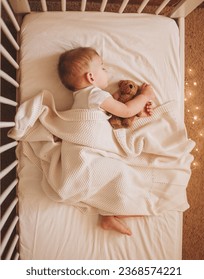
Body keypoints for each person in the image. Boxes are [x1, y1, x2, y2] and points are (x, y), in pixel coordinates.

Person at [58, 47, 156, 235]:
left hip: (81, 155)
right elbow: (124, 111)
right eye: (102, 68)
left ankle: (109, 214)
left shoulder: (80, 98)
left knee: (113, 179)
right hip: (86, 156)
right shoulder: (95, 94)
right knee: (122, 175)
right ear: (91, 78)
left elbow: (113, 119)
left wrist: (138, 113)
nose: (107, 71)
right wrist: (145, 96)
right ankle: (118, 210)